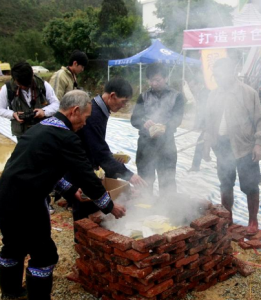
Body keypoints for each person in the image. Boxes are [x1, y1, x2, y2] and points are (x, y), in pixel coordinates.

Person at [0, 90, 125, 300]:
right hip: (28, 202)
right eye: (85, 118)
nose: (85, 124)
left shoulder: (39, 128)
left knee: (13, 246)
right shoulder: (66, 137)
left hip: (5, 195)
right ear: (75, 111)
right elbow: (87, 176)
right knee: (44, 255)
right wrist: (110, 206)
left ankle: (10, 293)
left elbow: (41, 167)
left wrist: (69, 189)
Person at [63, 78, 147, 221]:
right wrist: (128, 174)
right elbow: (98, 150)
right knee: (85, 210)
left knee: (88, 205)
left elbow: (95, 144)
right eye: (123, 101)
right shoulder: (94, 113)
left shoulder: (99, 109)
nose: (124, 106)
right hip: (77, 167)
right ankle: (82, 239)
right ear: (112, 96)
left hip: (84, 163)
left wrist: (112, 161)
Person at [204, 57, 261, 235]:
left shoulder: (248, 93)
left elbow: (259, 121)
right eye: (216, 76)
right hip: (222, 146)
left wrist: (258, 144)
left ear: (232, 72)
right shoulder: (213, 94)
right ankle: (227, 218)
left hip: (245, 146)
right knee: (225, 184)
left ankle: (253, 221)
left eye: (221, 75)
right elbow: (209, 122)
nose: (219, 79)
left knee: (250, 185)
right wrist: (207, 143)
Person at [131, 63, 184, 196]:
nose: (154, 83)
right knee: (144, 180)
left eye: (157, 80)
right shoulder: (143, 97)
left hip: (166, 144)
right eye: (151, 80)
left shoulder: (176, 96)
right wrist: (144, 122)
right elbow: (134, 119)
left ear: (165, 78)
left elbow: (177, 119)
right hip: (145, 144)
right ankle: (144, 210)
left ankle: (167, 211)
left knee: (167, 180)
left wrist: (165, 127)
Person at [0, 62, 59, 138]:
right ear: (15, 80)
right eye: (20, 85)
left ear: (32, 76)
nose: (24, 87)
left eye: (27, 84)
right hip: (22, 134)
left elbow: (56, 104)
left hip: (43, 132)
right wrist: (13, 114)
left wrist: (44, 112)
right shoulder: (7, 89)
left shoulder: (42, 85)